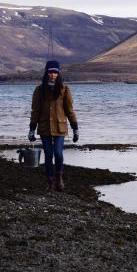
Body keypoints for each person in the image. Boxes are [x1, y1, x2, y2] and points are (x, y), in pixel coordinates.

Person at [28, 60, 79, 192]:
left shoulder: (64, 89)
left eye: (55, 72)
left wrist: (75, 128)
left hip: (60, 128)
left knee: (58, 153)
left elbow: (70, 111)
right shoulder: (39, 90)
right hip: (44, 128)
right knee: (48, 155)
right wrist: (31, 129)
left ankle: (59, 178)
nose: (52, 74)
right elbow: (35, 111)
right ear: (46, 73)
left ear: (58, 73)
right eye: (50, 72)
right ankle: (50, 182)